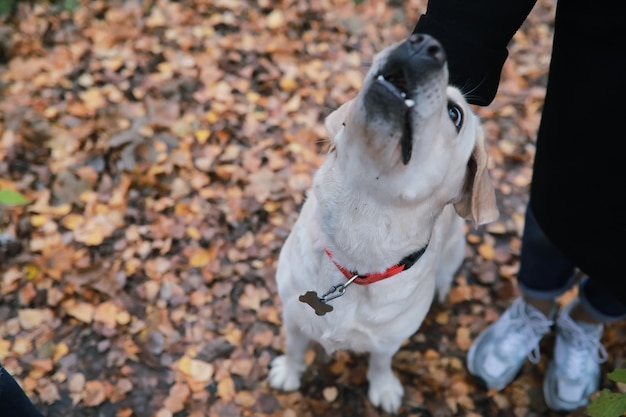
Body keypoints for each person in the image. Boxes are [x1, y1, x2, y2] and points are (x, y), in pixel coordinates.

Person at [412, 0, 626, 412]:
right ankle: (534, 306)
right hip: (608, 57)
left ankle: (587, 320)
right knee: (566, 193)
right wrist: (443, 54)